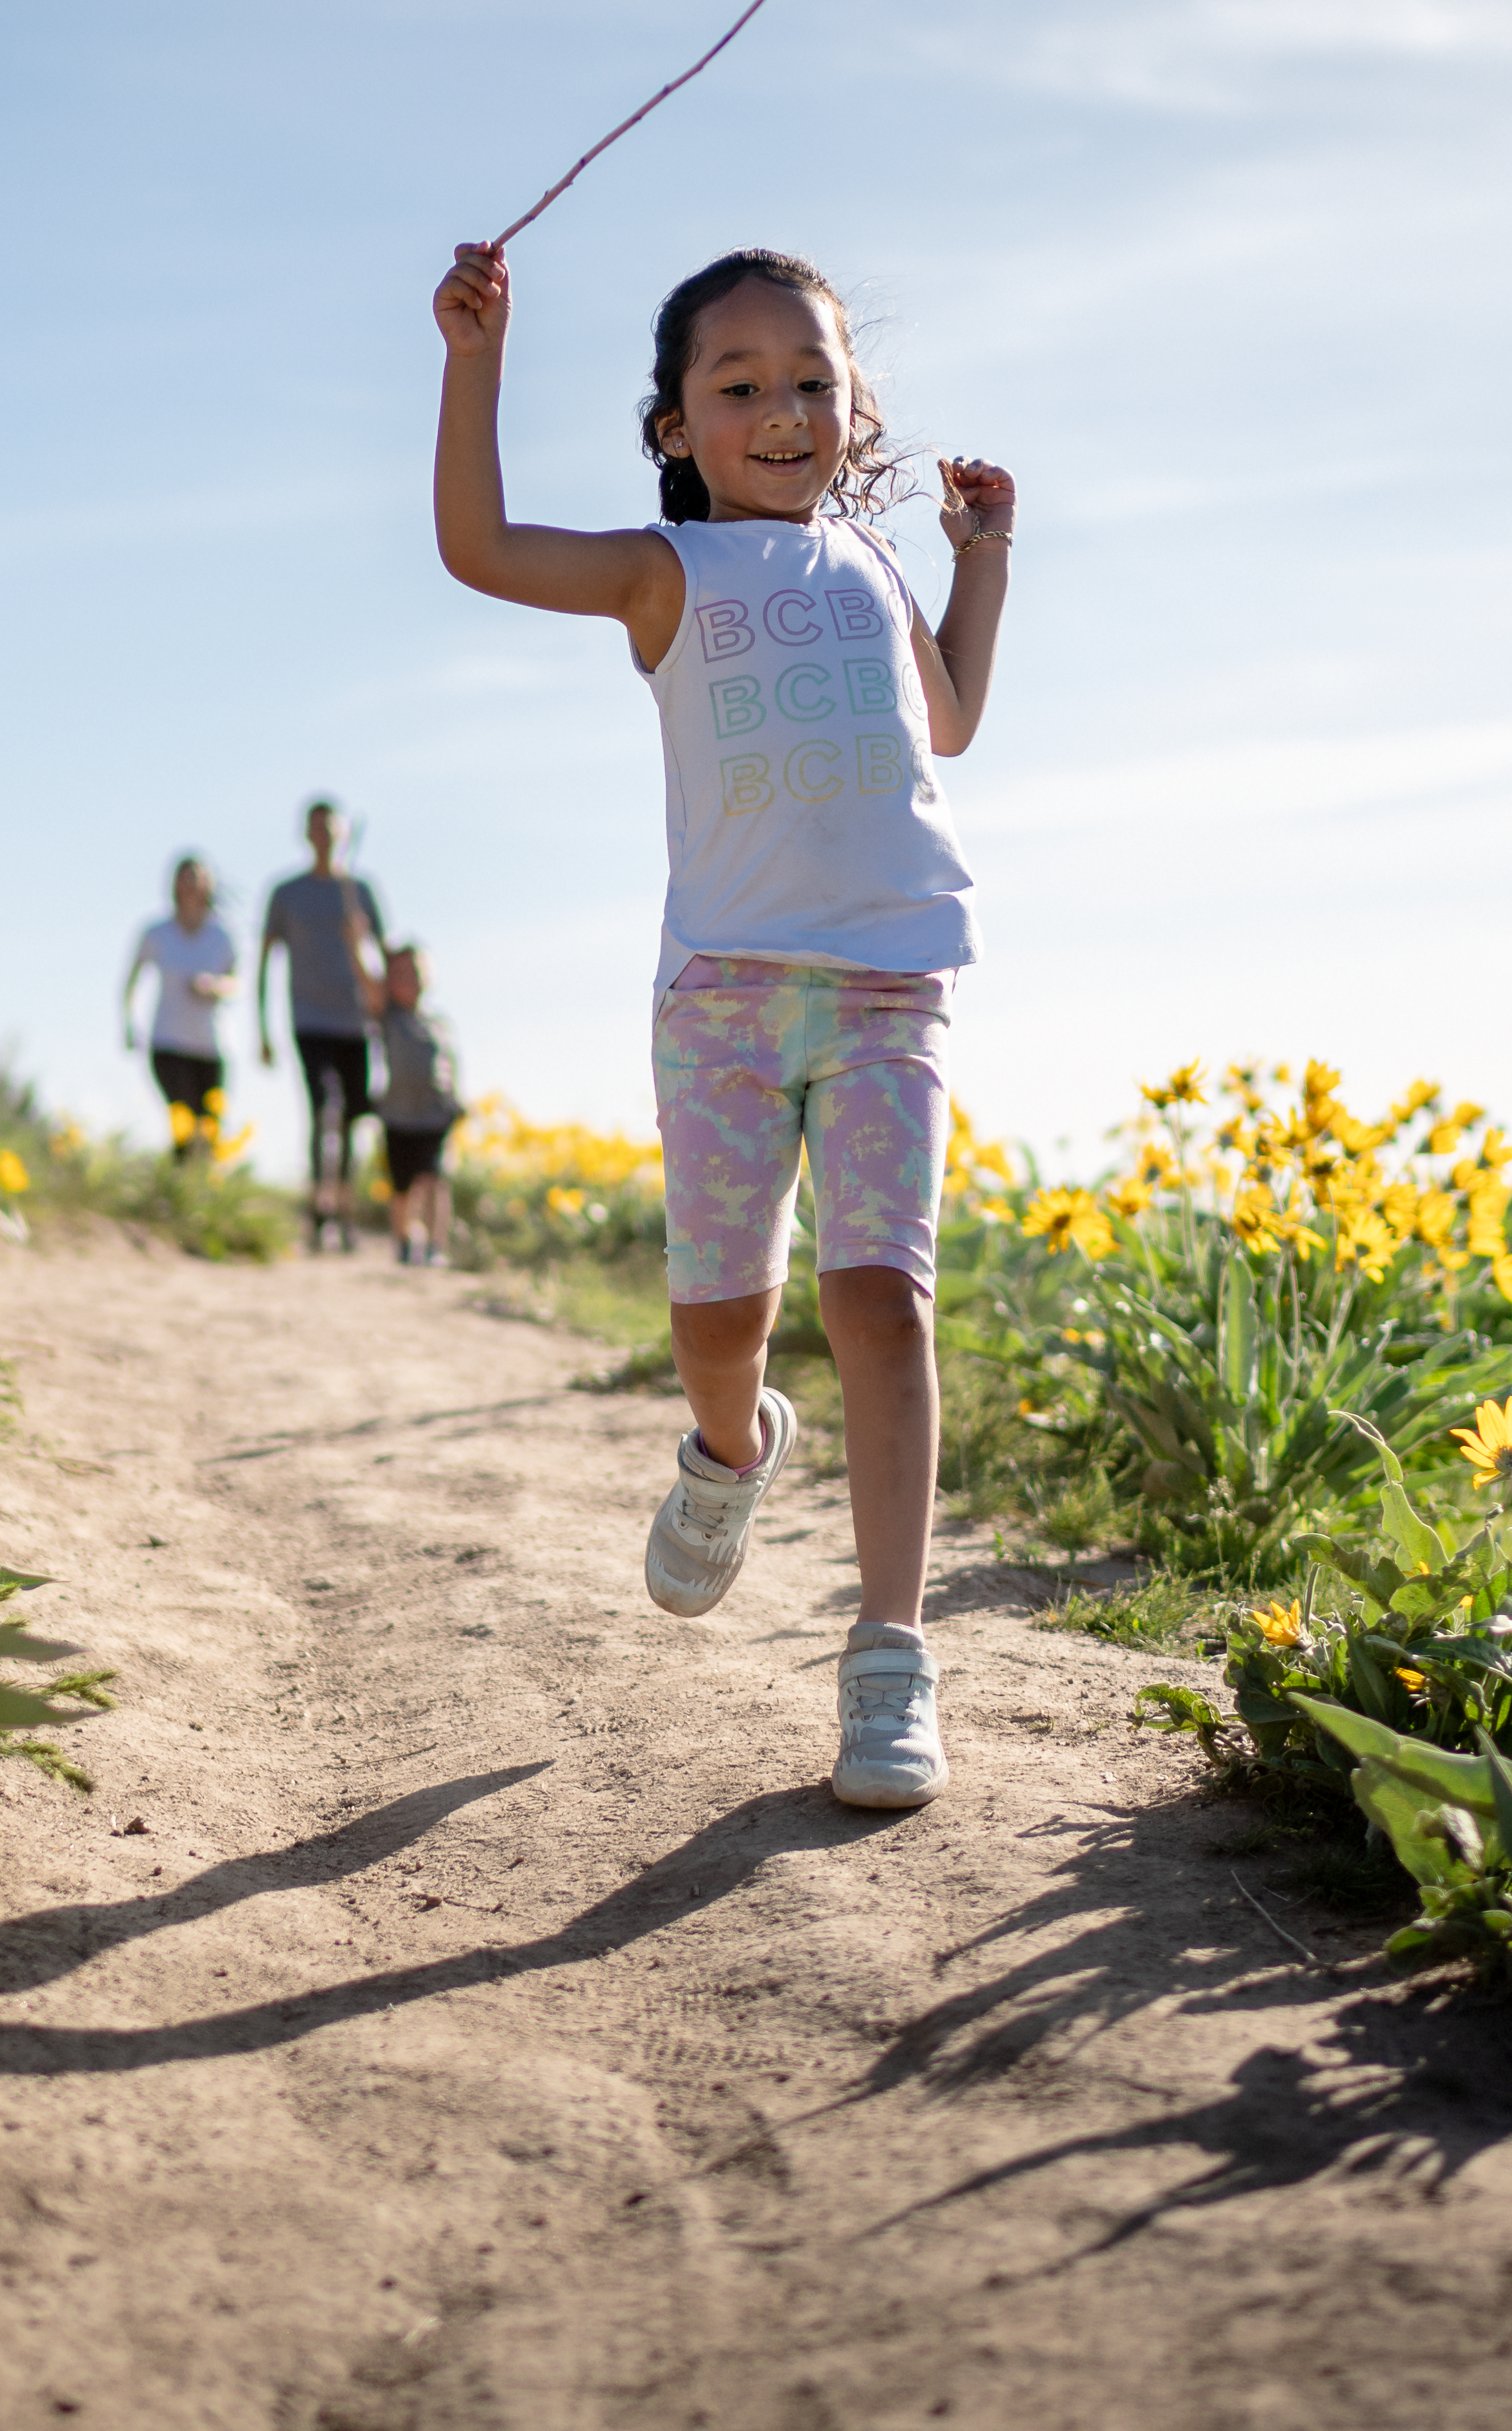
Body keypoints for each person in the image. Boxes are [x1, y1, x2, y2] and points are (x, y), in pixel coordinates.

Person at [428, 236, 1016, 1809]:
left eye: (813, 381)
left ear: (853, 408)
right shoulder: (664, 571)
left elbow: (952, 719)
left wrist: (981, 560)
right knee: (718, 1322)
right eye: (741, 385)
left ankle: (889, 1656)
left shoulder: (875, 564)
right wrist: (476, 359)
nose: (782, 410)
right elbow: (479, 547)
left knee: (883, 1296)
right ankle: (732, 1446)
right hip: (727, 1000)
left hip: (894, 981)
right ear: (677, 425)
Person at [256, 798, 391, 1253]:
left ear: (343, 834)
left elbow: (385, 958)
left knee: (353, 1117)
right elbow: (265, 960)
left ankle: (345, 1213)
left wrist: (387, 1011)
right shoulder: (286, 893)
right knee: (321, 1111)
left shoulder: (361, 891)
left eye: (331, 829)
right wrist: (262, 1027)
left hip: (357, 1021)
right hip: (309, 1018)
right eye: (317, 828)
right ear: (306, 834)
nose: (325, 837)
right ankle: (318, 1211)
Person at [119, 855, 241, 1155]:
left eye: (195, 878)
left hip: (213, 1046)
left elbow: (237, 984)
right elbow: (131, 982)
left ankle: (203, 1182)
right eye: (183, 878)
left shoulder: (222, 935)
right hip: (168, 1044)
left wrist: (213, 986)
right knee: (184, 1124)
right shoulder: (157, 933)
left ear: (208, 885)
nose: (189, 885)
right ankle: (181, 1181)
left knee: (210, 1130)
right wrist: (130, 1024)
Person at [371, 943, 463, 1268]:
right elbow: (368, 984)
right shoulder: (388, 1016)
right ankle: (404, 1241)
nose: (411, 979)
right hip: (398, 1114)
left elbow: (451, 1064)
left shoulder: (439, 1023)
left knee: (435, 1179)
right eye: (401, 973)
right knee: (402, 1186)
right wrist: (358, 941)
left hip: (435, 1113)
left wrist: (457, 1098)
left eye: (417, 971)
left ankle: (436, 1245)